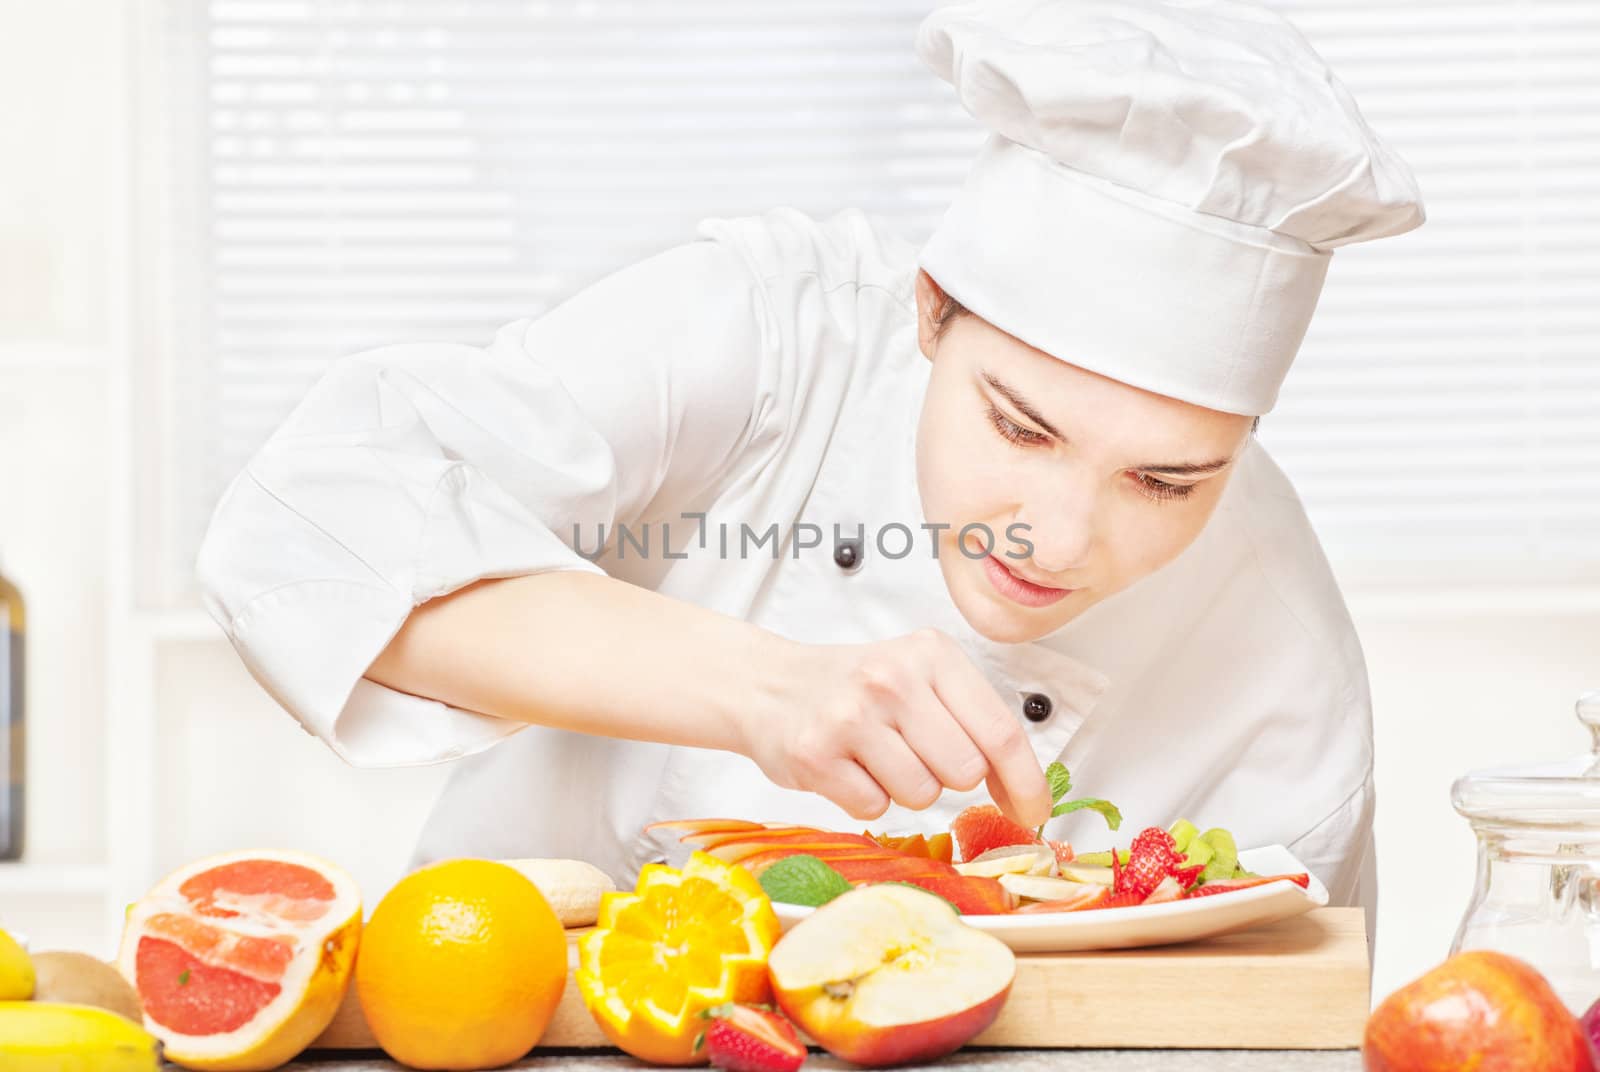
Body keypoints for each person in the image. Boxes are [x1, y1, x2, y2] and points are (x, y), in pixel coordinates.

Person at [196, 0, 1423, 932]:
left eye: (1167, 482)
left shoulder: (1285, 686)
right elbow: (307, 532)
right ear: (931, 310)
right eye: (1018, 426)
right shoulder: (774, 338)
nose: (1054, 537)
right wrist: (762, 688)